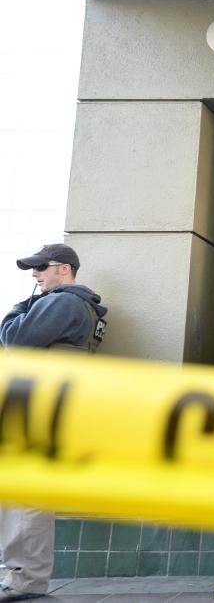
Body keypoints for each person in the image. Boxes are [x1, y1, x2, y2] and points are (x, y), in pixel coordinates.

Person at [0, 244, 107, 602]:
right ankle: (19, 573)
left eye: (41, 267)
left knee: (27, 496)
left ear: (64, 269)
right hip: (50, 407)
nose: (35, 275)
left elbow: (14, 339)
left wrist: (21, 305)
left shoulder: (63, 302)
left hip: (42, 408)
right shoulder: (77, 305)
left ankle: (25, 578)